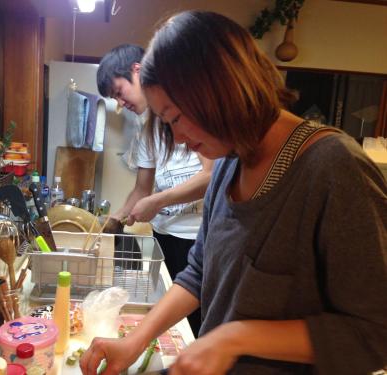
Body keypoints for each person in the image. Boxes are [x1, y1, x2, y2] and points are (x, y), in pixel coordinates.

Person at [80, 11, 387, 375]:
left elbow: (374, 334)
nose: (176, 138)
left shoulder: (334, 169)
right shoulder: (229, 162)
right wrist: (133, 342)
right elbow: (198, 271)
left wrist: (236, 337)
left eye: (175, 118)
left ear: (218, 89)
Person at [97, 44, 214, 336]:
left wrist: (159, 201)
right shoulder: (144, 129)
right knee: (171, 322)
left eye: (119, 92)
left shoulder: (187, 112)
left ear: (137, 71)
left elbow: (211, 176)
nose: (120, 104)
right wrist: (115, 219)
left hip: (196, 240)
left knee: (196, 323)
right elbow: (141, 189)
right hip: (163, 237)